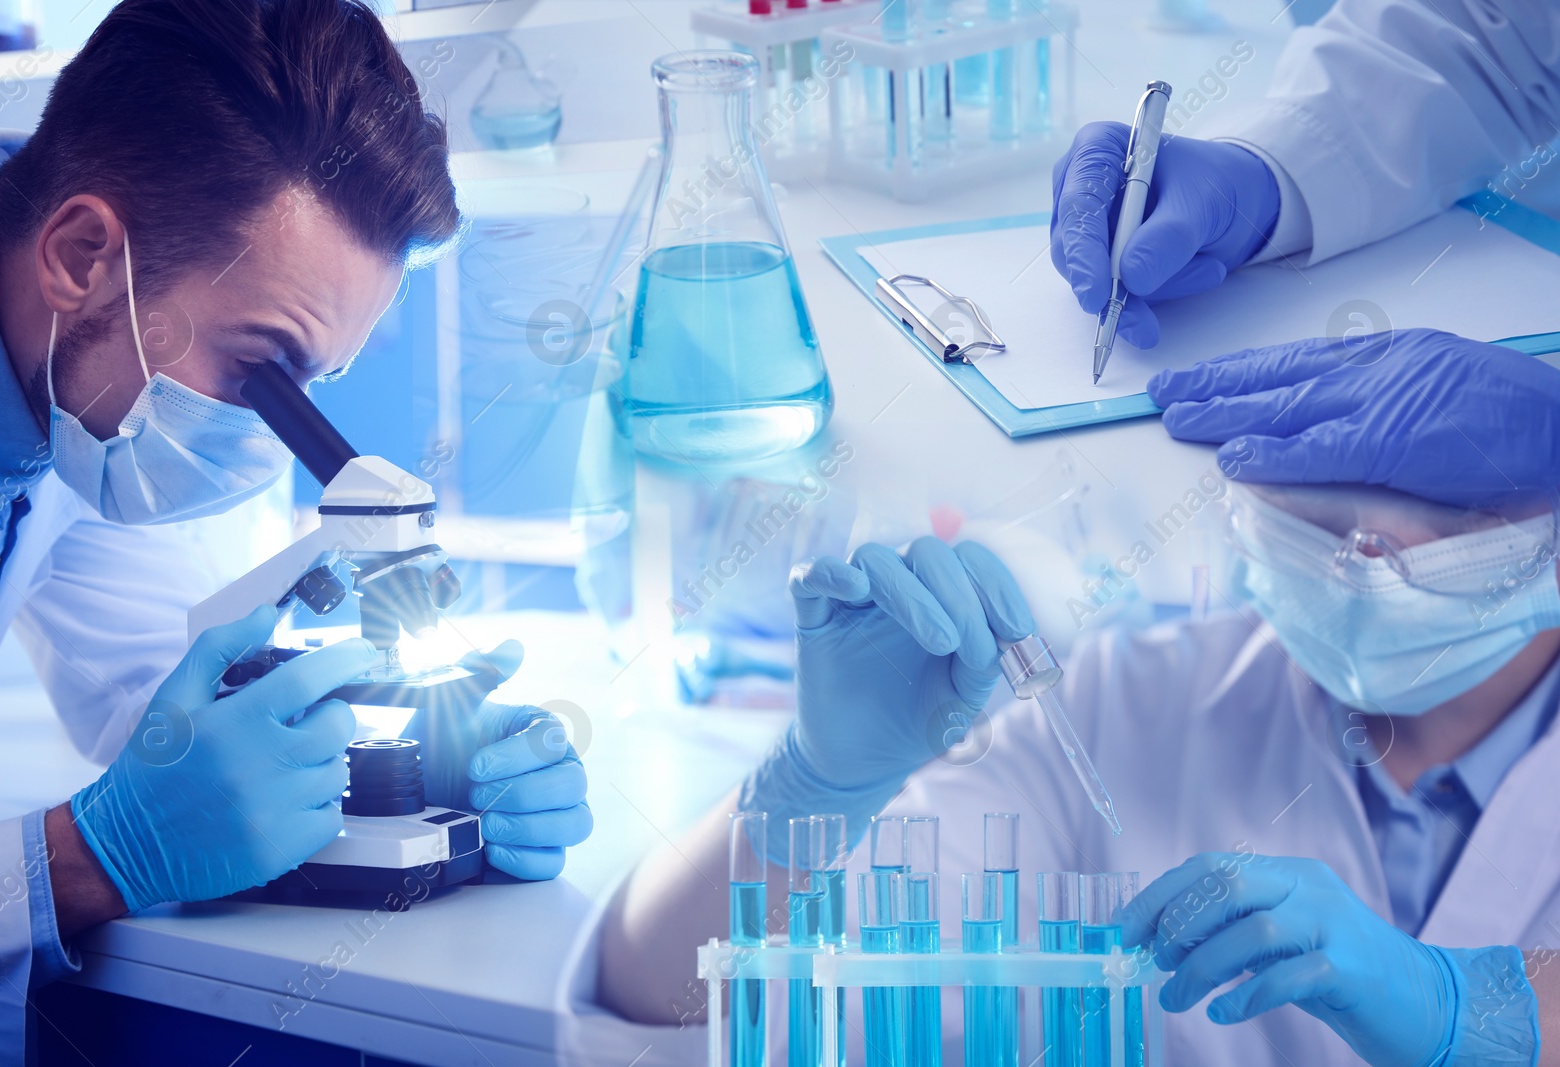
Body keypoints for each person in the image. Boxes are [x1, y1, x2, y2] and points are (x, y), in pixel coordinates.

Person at [595, 0, 1560, 1061]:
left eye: (1454, 497)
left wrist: (1479, 1014)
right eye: (1320, 470)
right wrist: (814, 785)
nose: (1374, 543)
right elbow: (663, 992)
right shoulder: (1118, 709)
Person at [0, 2, 589, 1061]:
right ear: (78, 253)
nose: (264, 435)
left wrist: (417, 765)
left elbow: (166, 696)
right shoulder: (101, 351)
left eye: (316, 382)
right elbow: (137, 818)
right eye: (261, 369)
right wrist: (89, 859)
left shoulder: (74, 372)